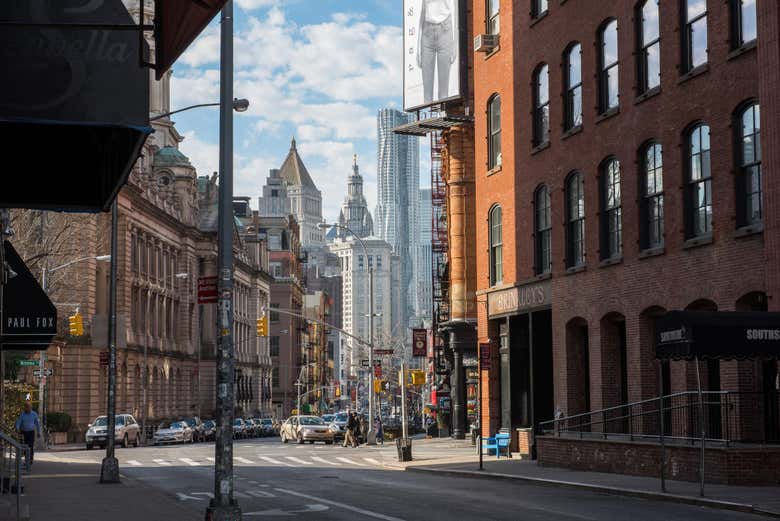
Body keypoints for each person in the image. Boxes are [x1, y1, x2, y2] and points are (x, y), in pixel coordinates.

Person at [416, 0, 456, 105]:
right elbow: (423, 10)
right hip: (427, 30)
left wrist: (454, 43)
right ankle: (427, 118)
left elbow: (455, 9)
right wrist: (418, 47)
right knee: (427, 92)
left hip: (445, 28)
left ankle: (443, 114)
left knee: (444, 90)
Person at [15, 401, 41, 466]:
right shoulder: (22, 414)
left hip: (31, 432)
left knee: (30, 446)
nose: (28, 409)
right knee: (25, 446)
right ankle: (26, 459)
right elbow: (18, 422)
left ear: (31, 407)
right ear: (25, 408)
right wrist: (17, 428)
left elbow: (37, 424)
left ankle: (30, 460)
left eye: (29, 407)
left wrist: (38, 432)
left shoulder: (34, 414)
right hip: (23, 432)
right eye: (26, 407)